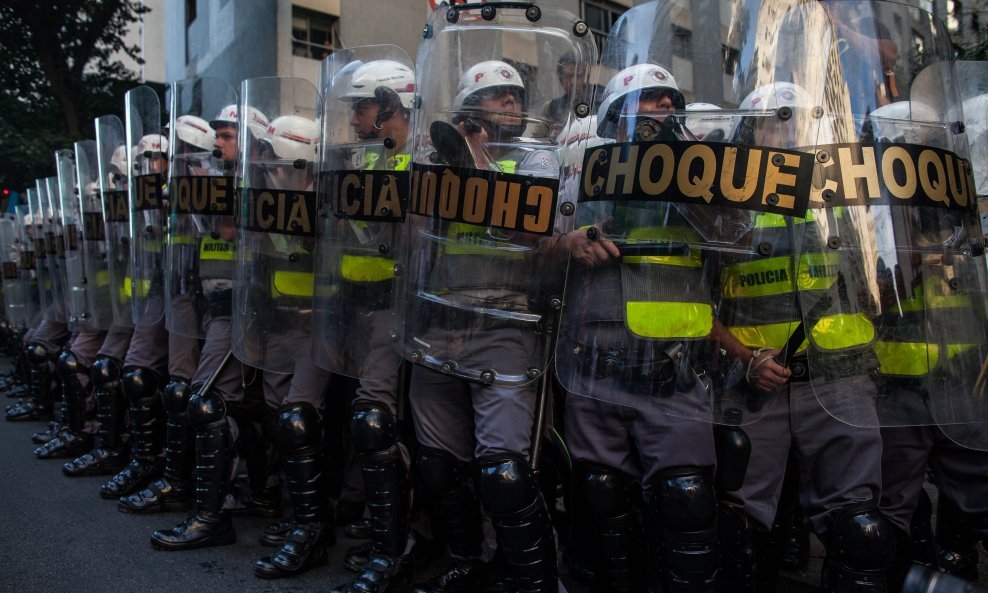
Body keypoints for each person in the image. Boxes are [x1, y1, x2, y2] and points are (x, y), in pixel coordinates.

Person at [554, 63, 720, 593]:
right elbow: (537, 245)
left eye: (672, 101)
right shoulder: (577, 170)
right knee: (601, 493)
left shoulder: (704, 173)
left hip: (674, 364)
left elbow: (733, 233)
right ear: (616, 116)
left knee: (686, 495)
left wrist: (694, 177)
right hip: (594, 361)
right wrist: (569, 242)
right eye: (651, 100)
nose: (666, 108)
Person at [318, 55, 417, 593]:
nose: (355, 120)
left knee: (374, 421)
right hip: (358, 307)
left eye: (362, 108)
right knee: (366, 422)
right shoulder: (372, 163)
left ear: (390, 106)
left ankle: (392, 545)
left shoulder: (416, 163)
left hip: (395, 308)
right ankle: (378, 527)